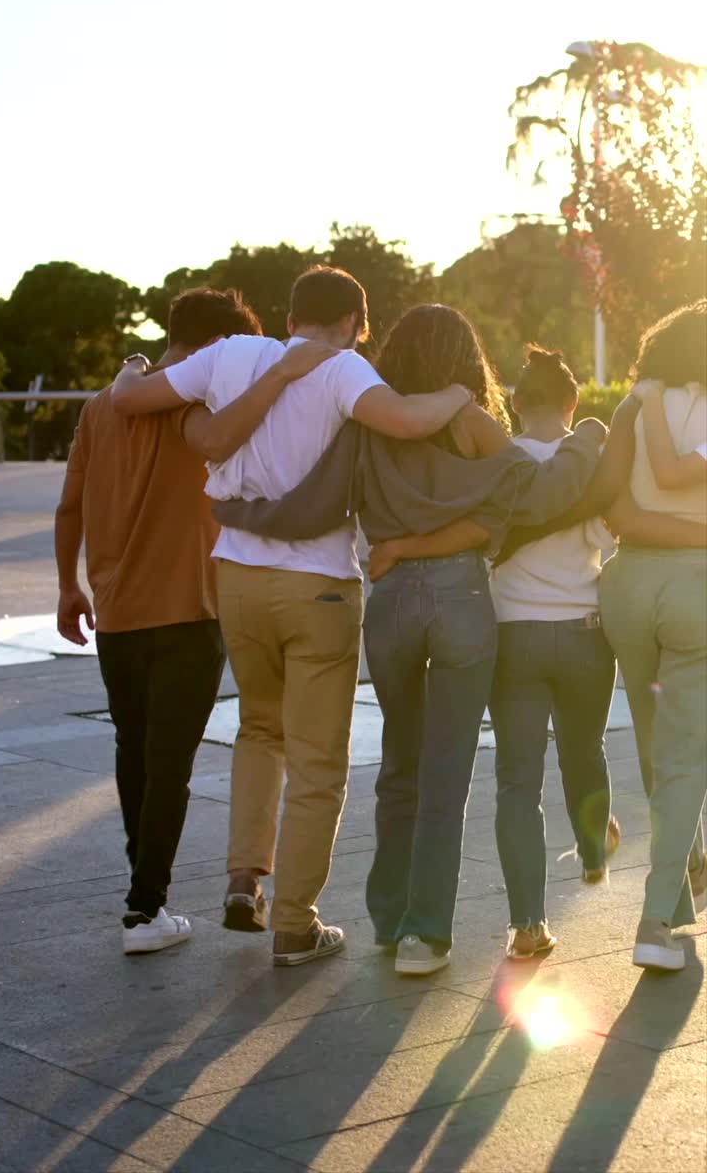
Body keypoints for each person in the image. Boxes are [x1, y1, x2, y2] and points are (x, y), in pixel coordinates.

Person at [211, 305, 611, 975]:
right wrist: (588, 440)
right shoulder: (471, 422)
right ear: (463, 357)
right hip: (460, 601)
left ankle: (390, 920)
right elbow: (532, 497)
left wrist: (242, 513)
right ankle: (428, 935)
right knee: (446, 776)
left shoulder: (368, 420)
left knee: (400, 763)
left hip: (391, 603)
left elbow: (318, 497)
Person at [109, 268, 475, 966]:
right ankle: (297, 924)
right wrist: (463, 387)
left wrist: (130, 370)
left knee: (258, 726)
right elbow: (408, 420)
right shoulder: (343, 368)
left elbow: (134, 399)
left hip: (237, 578)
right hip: (319, 588)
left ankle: (246, 877)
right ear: (354, 324)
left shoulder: (230, 355)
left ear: (289, 317)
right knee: (317, 762)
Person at [55, 286, 339, 955]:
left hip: (117, 610)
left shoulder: (102, 407)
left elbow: (70, 507)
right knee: (170, 764)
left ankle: (144, 897)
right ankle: (143, 908)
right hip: (188, 610)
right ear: (215, 347)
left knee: (135, 752)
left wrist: (69, 587)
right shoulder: (200, 407)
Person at [487, 347, 620, 961]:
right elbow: (605, 536)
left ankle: (527, 926)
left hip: (513, 635)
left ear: (516, 402)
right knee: (583, 749)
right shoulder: (586, 462)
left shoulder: (499, 462)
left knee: (517, 780)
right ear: (572, 402)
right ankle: (594, 852)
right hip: (584, 631)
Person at [599, 301, 707, 972]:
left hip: (627, 587)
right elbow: (674, 478)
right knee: (685, 756)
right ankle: (655, 920)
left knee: (651, 738)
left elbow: (614, 510)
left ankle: (686, 870)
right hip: (693, 590)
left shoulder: (632, 408)